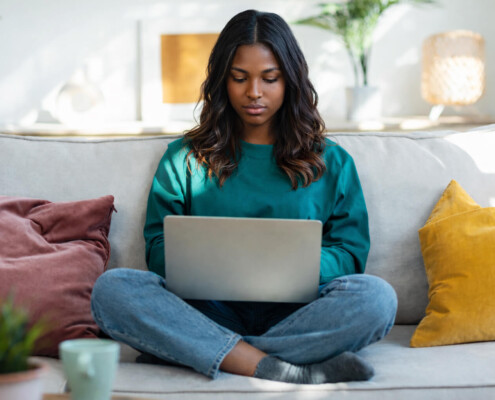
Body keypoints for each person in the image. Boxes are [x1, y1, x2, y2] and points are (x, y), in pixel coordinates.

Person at [91, 9, 397, 384]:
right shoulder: (183, 158)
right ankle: (273, 365)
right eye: (240, 78)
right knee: (112, 289)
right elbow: (157, 249)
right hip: (206, 309)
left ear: (291, 81)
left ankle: (205, 352)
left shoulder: (331, 161)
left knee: (377, 299)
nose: (254, 92)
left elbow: (350, 254)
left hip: (298, 311)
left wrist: (289, 266)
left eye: (270, 79)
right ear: (222, 80)